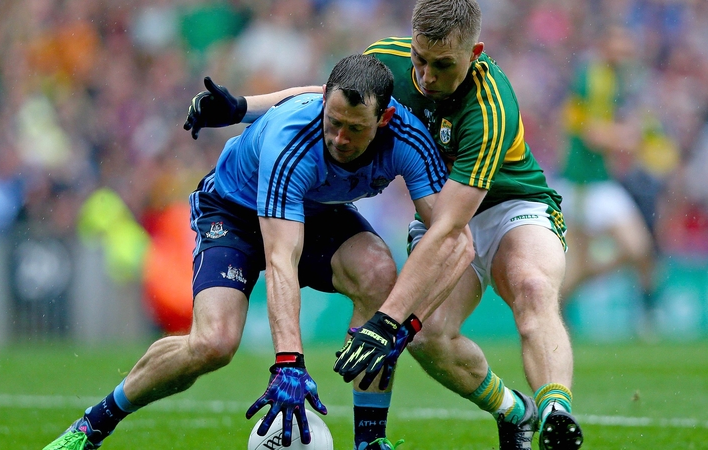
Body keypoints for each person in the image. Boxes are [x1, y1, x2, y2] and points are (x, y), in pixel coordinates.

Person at [186, 2, 583, 449]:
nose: (427, 76)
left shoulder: (491, 109)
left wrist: (388, 320)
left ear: (475, 52)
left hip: (510, 205)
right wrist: (242, 108)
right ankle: (515, 412)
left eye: (443, 65)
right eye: (420, 59)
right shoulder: (388, 61)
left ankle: (555, 410)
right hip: (440, 210)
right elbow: (325, 96)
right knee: (428, 338)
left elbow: (451, 232)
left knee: (531, 286)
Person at [42, 54, 460, 450]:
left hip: (313, 210)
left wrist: (402, 322)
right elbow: (281, 260)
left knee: (378, 274)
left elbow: (449, 236)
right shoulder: (292, 141)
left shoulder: (409, 140)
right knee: (213, 343)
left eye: (354, 129)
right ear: (322, 106)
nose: (339, 138)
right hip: (234, 211)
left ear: (384, 118)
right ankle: (92, 424)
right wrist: (289, 364)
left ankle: (369, 440)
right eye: (332, 123)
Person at [556, 24, 672, 338]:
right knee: (628, 250)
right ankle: (559, 309)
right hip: (581, 184)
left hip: (602, 181)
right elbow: (591, 134)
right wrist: (629, 139)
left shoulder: (617, 78)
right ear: (605, 44)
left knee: (636, 250)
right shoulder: (591, 77)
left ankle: (564, 303)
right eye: (620, 42)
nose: (626, 50)